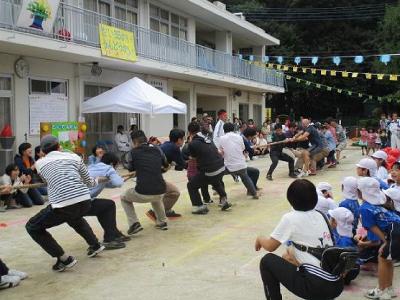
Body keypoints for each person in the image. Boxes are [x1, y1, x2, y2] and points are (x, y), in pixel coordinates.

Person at [25, 135, 104, 272]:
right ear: (60, 146)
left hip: (63, 204)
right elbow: (90, 182)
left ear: (43, 151)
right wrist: (98, 180)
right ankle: (95, 245)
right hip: (85, 200)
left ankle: (64, 259)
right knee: (73, 216)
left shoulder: (40, 163)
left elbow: (46, 179)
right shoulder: (74, 157)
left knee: (32, 227)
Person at [255, 179, 343, 300]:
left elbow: (270, 246)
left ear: (290, 200)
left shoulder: (290, 218)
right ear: (316, 198)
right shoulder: (321, 215)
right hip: (336, 283)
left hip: (315, 286)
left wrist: (260, 238)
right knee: (288, 254)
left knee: (267, 261)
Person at [358, 177, 400, 299]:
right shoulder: (379, 203)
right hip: (396, 229)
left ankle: (381, 289)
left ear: (362, 192)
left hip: (395, 232)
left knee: (382, 258)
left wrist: (385, 241)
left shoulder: (365, 208)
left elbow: (372, 227)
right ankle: (388, 288)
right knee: (387, 259)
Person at [121, 130, 169, 233]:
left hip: (143, 192)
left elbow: (131, 169)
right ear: (146, 138)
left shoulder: (132, 152)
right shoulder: (157, 149)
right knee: (156, 193)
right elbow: (165, 165)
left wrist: (138, 171)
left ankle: (134, 224)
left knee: (124, 197)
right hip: (161, 190)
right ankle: (162, 222)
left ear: (134, 142)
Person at [87, 152, 131, 250]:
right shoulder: (108, 168)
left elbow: (108, 184)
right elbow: (118, 183)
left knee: (103, 207)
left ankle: (114, 233)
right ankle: (109, 239)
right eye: (116, 165)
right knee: (109, 205)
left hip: (78, 200)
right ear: (112, 163)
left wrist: (127, 178)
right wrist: (116, 177)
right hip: (82, 202)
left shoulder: (93, 167)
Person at [187, 122, 231, 214]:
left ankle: (199, 206)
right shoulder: (208, 139)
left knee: (191, 185)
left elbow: (193, 159)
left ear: (189, 132)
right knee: (215, 180)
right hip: (221, 167)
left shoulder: (193, 143)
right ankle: (224, 200)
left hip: (210, 171)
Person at [219, 123, 260, 199]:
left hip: (228, 166)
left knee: (218, 175)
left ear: (224, 130)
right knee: (245, 178)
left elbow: (221, 151)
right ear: (233, 129)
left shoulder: (222, 138)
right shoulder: (239, 137)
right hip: (241, 164)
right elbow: (242, 148)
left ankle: (221, 195)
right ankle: (254, 194)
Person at [328, 207, 360, 285]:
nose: (329, 220)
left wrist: (342, 274)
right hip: (352, 268)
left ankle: (341, 279)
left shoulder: (344, 241)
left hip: (347, 271)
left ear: (335, 222)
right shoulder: (346, 234)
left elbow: (347, 261)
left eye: (331, 218)